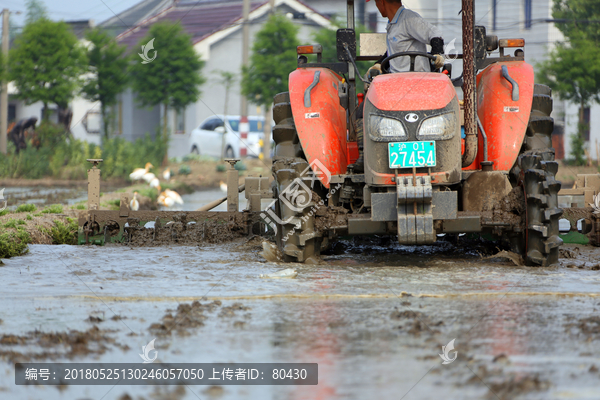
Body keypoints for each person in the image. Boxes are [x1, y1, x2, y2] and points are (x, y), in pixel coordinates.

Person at [349, 0, 445, 172]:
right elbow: (394, 51)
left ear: (382, 2)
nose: (377, 7)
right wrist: (379, 64)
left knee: (364, 109)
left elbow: (435, 34)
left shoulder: (409, 18)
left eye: (377, 3)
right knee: (364, 108)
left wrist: (438, 52)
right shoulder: (393, 24)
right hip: (396, 85)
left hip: (416, 84)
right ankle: (366, 156)